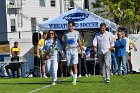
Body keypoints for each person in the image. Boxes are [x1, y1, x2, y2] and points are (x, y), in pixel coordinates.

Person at [62, 21, 83, 85]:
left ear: (73, 26)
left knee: (75, 65)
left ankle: (75, 80)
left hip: (75, 50)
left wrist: (81, 51)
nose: (69, 27)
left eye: (70, 26)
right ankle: (73, 76)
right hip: (68, 50)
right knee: (69, 66)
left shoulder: (77, 33)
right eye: (68, 26)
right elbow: (63, 43)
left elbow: (79, 42)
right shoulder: (65, 33)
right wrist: (62, 51)